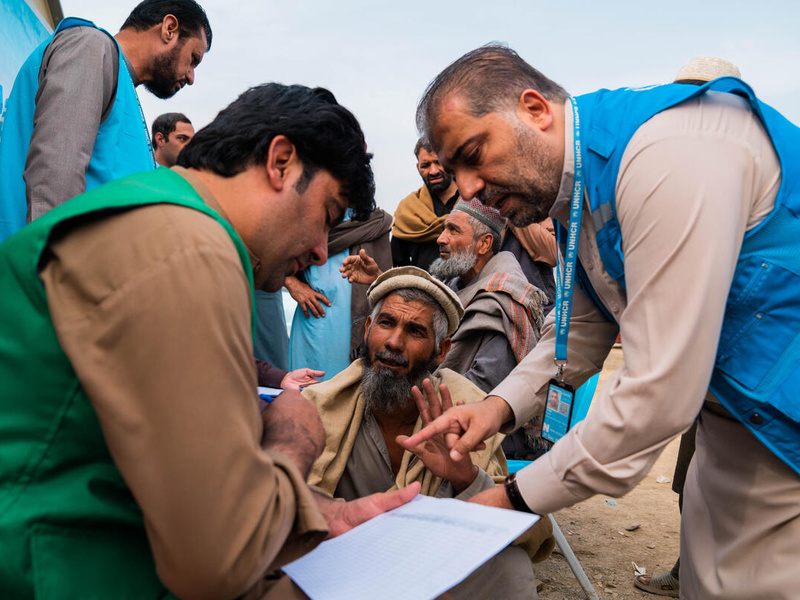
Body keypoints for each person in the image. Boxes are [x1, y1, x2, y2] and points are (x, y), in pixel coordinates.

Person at [403, 43, 800, 600]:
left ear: (535, 109)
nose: (467, 189)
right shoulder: (580, 188)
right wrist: (496, 408)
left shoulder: (668, 155)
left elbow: (657, 394)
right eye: (453, 170)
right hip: (736, 416)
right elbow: (580, 329)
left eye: (473, 154)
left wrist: (508, 500)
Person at [0, 83, 418, 599]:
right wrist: (295, 440)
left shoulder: (160, 217)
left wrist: (320, 512)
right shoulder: (190, 247)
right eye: (327, 216)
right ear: (281, 162)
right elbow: (220, 559)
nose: (318, 250)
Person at [304, 266, 552, 599]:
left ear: (442, 350)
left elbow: (518, 527)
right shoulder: (322, 406)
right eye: (386, 323)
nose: (394, 342)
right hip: (340, 559)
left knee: (510, 567)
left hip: (429, 563)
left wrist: (465, 476)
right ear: (368, 329)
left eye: (415, 331)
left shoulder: (466, 411)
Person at [633, 55, 742, 600]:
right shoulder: (678, 176)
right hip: (708, 373)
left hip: (757, 375)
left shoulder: (750, 172)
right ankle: (687, 572)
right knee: (690, 478)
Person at [0, 0, 212, 242]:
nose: (191, 77)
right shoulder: (91, 47)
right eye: (193, 58)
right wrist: (46, 270)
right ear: (169, 29)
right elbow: (55, 177)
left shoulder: (120, 84)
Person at [286, 206, 393, 379]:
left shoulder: (377, 222)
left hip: (361, 327)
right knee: (308, 392)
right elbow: (266, 252)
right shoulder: (302, 218)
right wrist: (291, 282)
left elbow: (388, 279)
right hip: (314, 322)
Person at [391, 137, 460, 270]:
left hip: (470, 288)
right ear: (418, 167)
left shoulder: (475, 204)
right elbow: (398, 263)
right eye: (425, 165)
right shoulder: (407, 212)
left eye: (438, 162)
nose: (433, 171)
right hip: (421, 289)